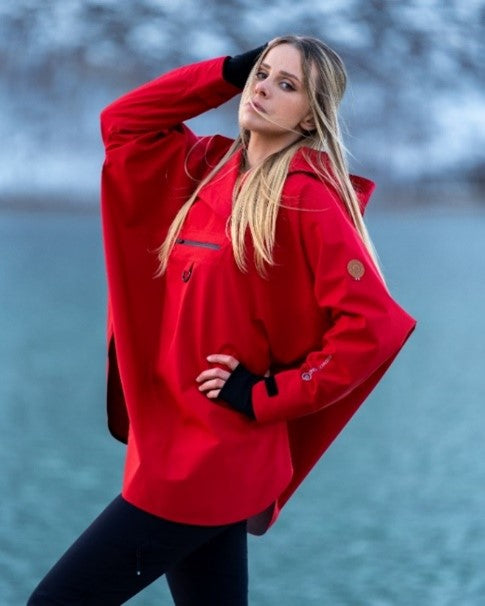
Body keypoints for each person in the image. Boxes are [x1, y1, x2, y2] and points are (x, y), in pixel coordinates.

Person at [28, 35, 416, 605]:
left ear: (311, 117)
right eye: (262, 74)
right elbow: (123, 124)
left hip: (210, 460)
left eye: (286, 85)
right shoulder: (207, 167)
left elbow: (373, 327)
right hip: (173, 447)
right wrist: (227, 72)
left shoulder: (305, 198)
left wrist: (266, 395)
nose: (263, 89)